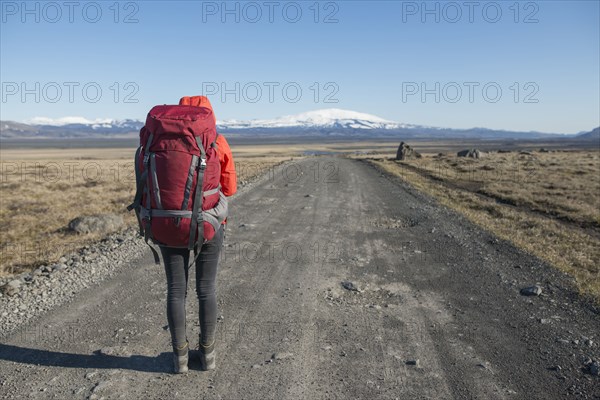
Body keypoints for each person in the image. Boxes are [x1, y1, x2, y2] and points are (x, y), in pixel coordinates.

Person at [159, 95, 237, 373]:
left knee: (176, 290)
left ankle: (180, 358)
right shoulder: (217, 140)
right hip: (209, 224)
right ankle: (207, 355)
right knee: (206, 289)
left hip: (167, 224)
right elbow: (229, 187)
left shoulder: (157, 142)